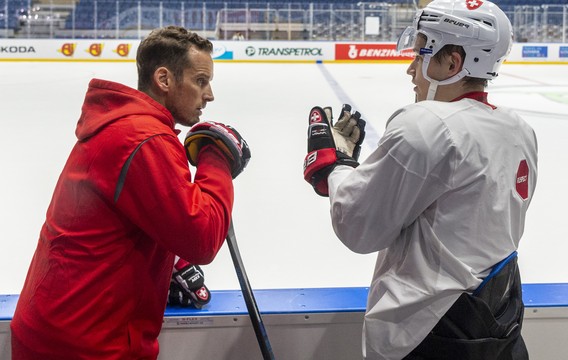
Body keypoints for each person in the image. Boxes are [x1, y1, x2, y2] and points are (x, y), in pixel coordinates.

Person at [303, 0, 538, 359]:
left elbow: (358, 227)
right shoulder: (520, 130)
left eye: (422, 52)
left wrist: (335, 167)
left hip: (428, 335)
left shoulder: (426, 126)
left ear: (453, 63)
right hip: (499, 325)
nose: (411, 69)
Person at [11, 26, 250, 359]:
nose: (208, 95)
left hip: (56, 329)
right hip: (88, 345)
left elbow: (112, 219)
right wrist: (216, 159)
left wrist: (169, 262)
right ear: (164, 79)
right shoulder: (145, 139)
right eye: (200, 81)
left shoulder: (120, 124)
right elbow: (203, 237)